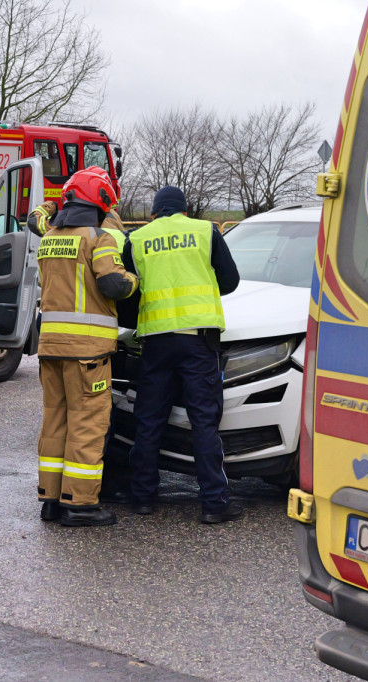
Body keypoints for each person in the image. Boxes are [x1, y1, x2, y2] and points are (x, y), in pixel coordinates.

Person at [121, 185, 243, 524]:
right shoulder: (205, 231)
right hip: (197, 340)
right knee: (204, 421)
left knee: (148, 420)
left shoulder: (139, 238)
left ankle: (142, 497)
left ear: (153, 214)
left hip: (156, 343)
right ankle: (214, 504)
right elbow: (230, 280)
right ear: (185, 211)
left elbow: (129, 297)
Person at [35, 168, 138, 527]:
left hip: (50, 347)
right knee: (88, 423)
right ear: (102, 202)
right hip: (87, 351)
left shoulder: (49, 237)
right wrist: (134, 280)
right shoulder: (98, 238)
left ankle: (51, 499)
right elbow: (113, 284)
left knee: (55, 422)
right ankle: (79, 504)